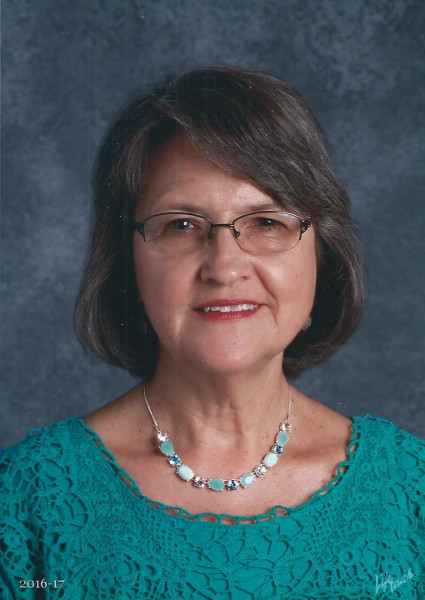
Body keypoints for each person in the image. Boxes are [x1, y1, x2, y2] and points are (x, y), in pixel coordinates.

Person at [1, 66, 424, 599]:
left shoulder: (412, 492)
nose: (224, 267)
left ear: (324, 255)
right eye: (180, 225)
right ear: (127, 262)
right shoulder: (27, 501)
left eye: (266, 222)